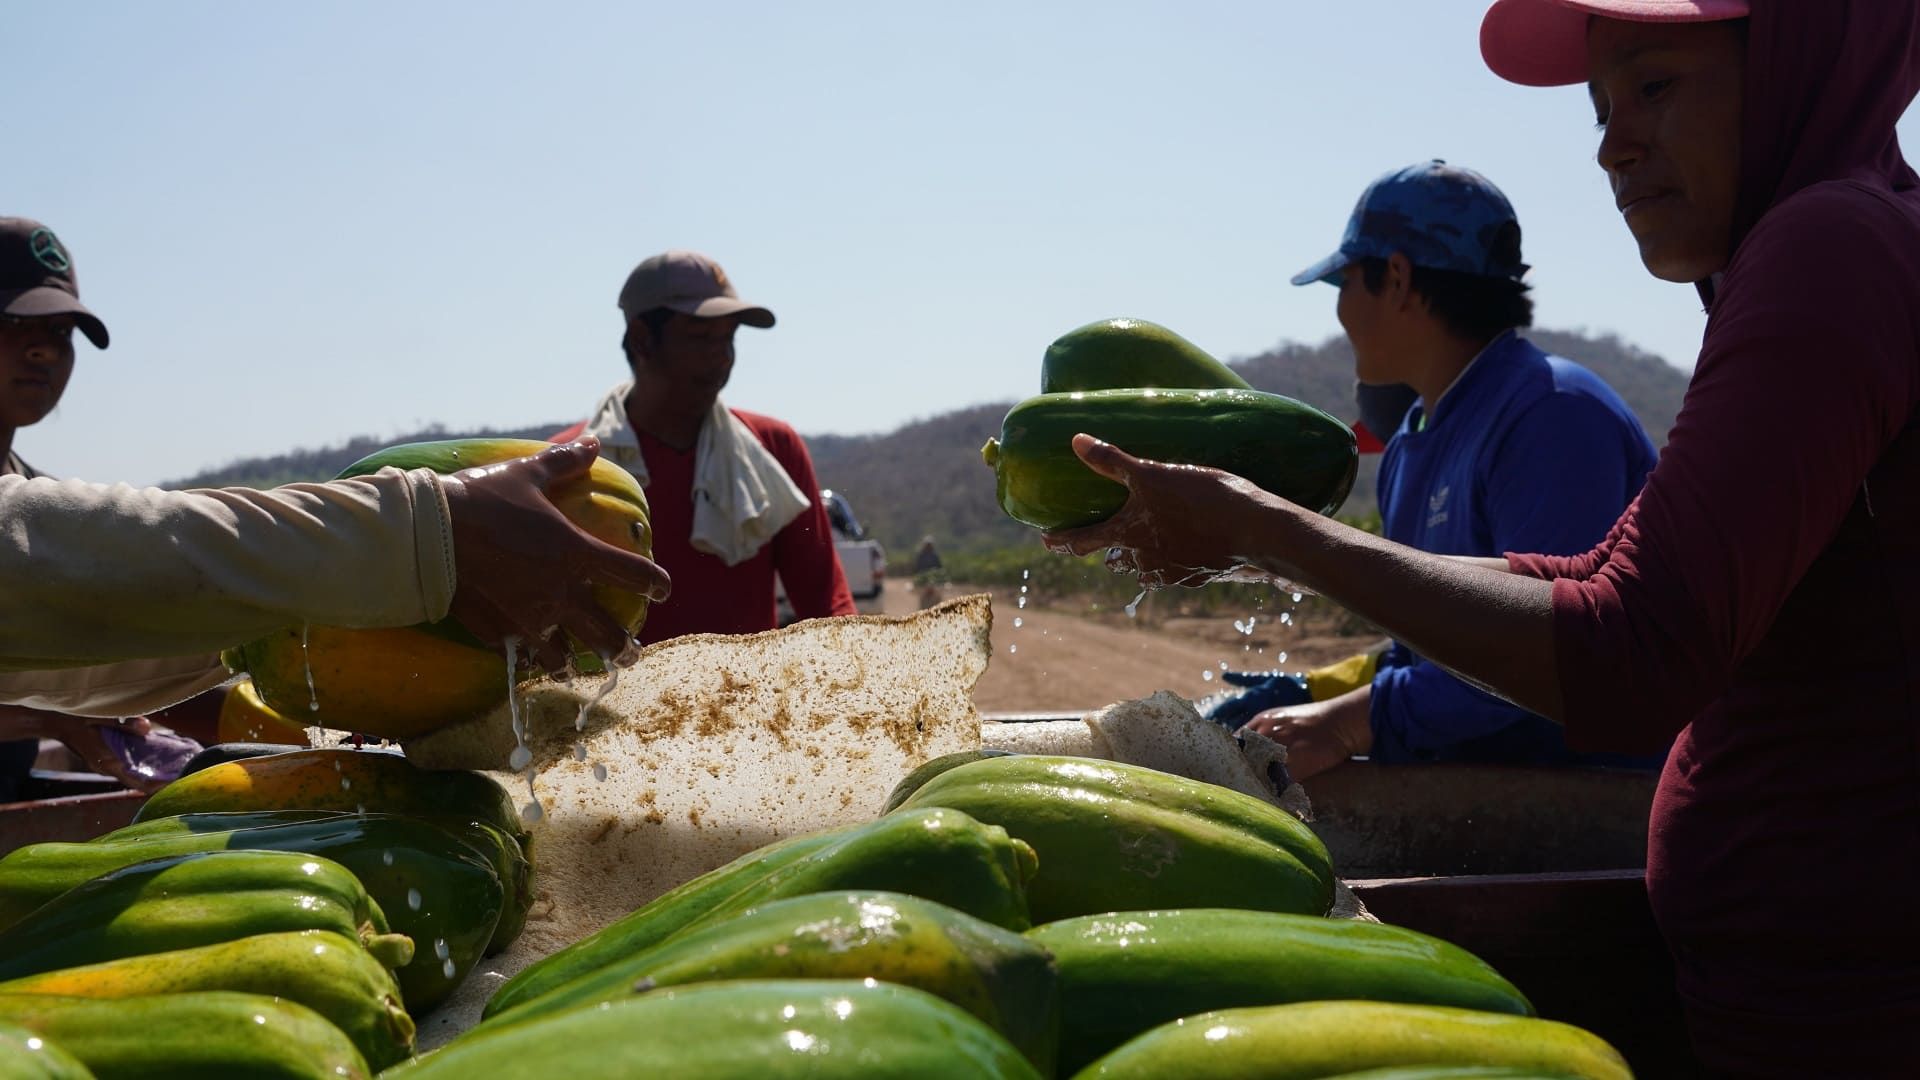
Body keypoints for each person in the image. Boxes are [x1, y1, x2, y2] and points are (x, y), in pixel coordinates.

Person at [1045, 1, 1920, 1072]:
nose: (1611, 144)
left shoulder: (1828, 246)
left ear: (1797, 65)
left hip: (1847, 999)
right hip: (1792, 970)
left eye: (1654, 87)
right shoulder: (1818, 254)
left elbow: (1635, 642)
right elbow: (1601, 573)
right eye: (1601, 107)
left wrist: (1265, 530)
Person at [0, 218, 673, 760]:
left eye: (59, 331)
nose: (42, 349)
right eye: (15, 324)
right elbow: (32, 562)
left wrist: (336, 625)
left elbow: (88, 619)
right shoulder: (31, 522)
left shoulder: (30, 487)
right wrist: (425, 536)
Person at [1212, 163, 1662, 779]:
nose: (1340, 311)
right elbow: (1432, 642)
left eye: (1346, 283)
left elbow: (1550, 652)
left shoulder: (1551, 416)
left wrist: (1351, 719)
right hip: (1497, 795)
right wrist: (1328, 691)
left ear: (1396, 279)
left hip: (1598, 811)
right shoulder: (1411, 441)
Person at [552, 250, 854, 644]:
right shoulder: (572, 464)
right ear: (643, 340)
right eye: (699, 337)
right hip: (619, 702)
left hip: (747, 702)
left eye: (728, 338)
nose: (721, 355)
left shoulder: (772, 451)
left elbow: (826, 603)